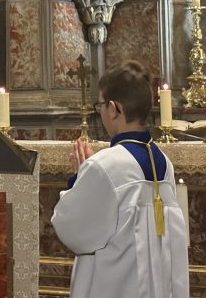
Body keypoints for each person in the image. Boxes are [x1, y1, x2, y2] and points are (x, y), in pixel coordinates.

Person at [51, 61, 189, 298]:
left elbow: (73, 229)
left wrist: (78, 178)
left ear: (114, 108)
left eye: (101, 105)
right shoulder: (164, 162)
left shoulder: (104, 165)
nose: (101, 112)